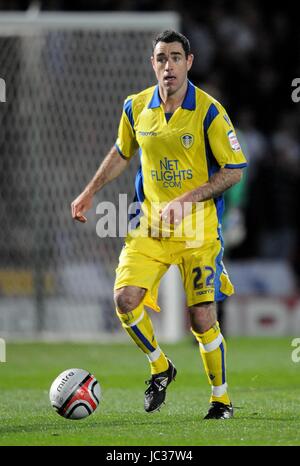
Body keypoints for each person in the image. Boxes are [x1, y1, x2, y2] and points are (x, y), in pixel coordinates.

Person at [71, 30, 247, 419]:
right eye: (161, 58)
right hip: (149, 226)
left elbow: (235, 169)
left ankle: (221, 399)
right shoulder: (135, 107)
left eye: (175, 57)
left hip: (198, 230)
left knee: (201, 317)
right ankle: (160, 366)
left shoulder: (210, 111)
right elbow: (121, 151)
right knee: (124, 300)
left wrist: (188, 199)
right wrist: (89, 191)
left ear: (190, 61)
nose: (168, 65)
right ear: (153, 64)